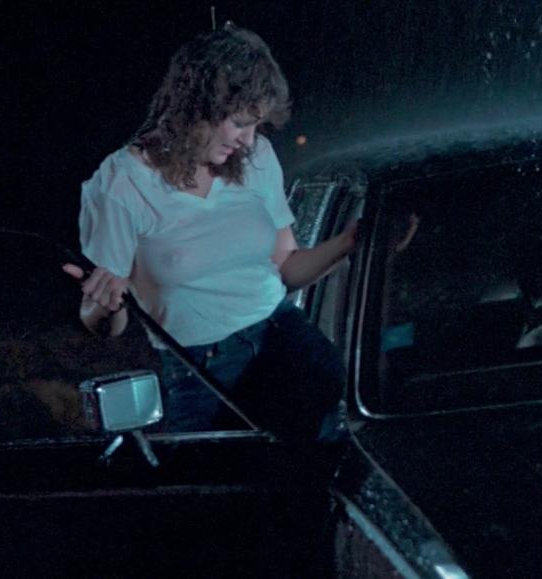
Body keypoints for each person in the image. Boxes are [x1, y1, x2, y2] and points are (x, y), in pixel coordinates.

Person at [62, 24, 356, 441]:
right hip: (200, 373)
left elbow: (287, 267)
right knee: (219, 477)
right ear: (196, 105)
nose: (248, 140)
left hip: (284, 340)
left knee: (316, 465)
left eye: (256, 125)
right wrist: (105, 306)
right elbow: (102, 321)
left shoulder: (257, 158)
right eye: (240, 123)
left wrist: (350, 241)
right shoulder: (120, 184)